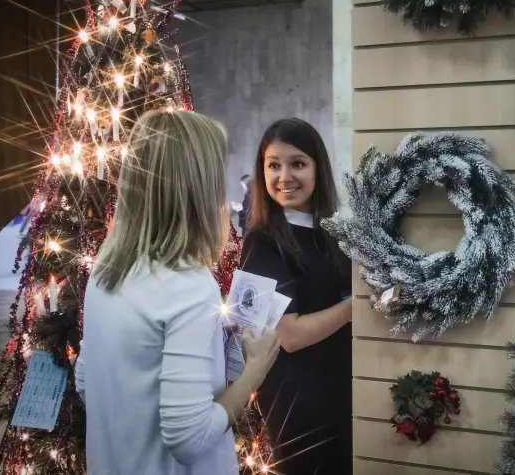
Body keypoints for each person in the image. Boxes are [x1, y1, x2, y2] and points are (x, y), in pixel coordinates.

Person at [76, 110, 280, 475]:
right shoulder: (187, 285)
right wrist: (255, 371)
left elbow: (86, 381)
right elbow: (188, 439)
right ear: (196, 189)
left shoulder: (107, 268)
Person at [241, 118, 353, 475]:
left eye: (297, 164)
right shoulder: (263, 243)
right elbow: (288, 336)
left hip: (342, 389)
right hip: (299, 401)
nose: (284, 176)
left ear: (318, 167)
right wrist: (358, 305)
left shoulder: (330, 232)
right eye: (273, 165)